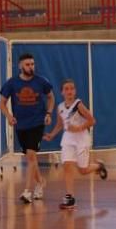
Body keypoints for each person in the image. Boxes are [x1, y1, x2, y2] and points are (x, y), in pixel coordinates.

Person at [43, 79, 108, 210]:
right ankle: (70, 197)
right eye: (66, 89)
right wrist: (52, 134)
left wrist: (79, 128)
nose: (69, 91)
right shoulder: (60, 107)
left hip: (81, 139)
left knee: (82, 170)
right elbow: (60, 124)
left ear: (75, 91)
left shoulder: (78, 105)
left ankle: (98, 166)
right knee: (67, 165)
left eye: (72, 88)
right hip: (68, 138)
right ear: (62, 92)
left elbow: (92, 120)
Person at [0, 52, 54, 204]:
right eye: (28, 64)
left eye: (32, 64)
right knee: (31, 158)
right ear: (20, 66)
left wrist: (48, 113)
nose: (31, 67)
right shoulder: (12, 83)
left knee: (31, 155)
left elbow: (51, 97)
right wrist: (9, 116)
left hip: (37, 123)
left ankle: (27, 191)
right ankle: (40, 182)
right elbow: (2, 103)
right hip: (20, 125)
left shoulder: (41, 81)